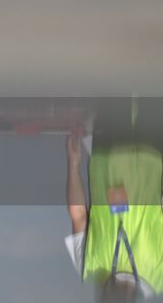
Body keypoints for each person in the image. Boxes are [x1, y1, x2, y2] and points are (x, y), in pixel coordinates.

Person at [65, 101, 163, 297]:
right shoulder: (158, 274)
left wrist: (74, 164)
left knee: (117, 86)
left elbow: (78, 216)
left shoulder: (89, 267)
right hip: (151, 156)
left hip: (108, 155)